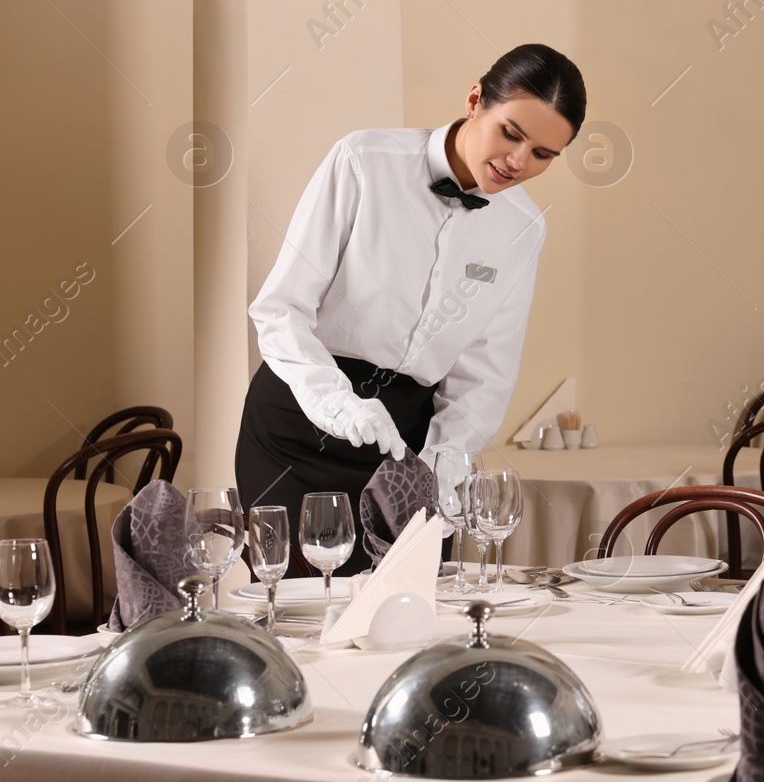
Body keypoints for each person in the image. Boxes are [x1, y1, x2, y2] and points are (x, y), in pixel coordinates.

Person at [237, 43, 585, 575]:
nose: (519, 161)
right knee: (303, 616)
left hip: (409, 442)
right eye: (511, 133)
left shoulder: (523, 227)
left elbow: (485, 370)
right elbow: (280, 309)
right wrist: (338, 406)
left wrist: (444, 462)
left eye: (542, 155)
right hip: (300, 421)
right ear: (475, 100)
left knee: (407, 612)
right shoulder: (363, 162)